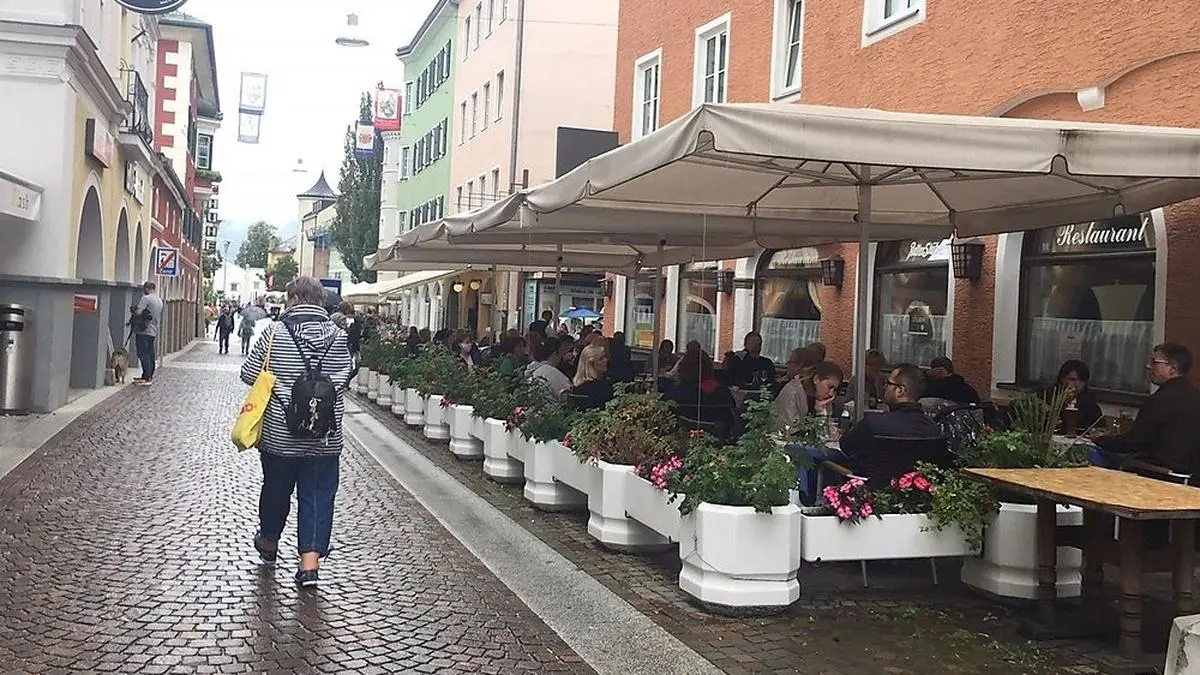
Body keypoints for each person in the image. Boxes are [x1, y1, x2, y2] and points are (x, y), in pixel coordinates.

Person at [240, 276, 353, 588]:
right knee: (318, 494)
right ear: (320, 301)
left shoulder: (274, 333)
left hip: (280, 432)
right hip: (325, 433)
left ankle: (270, 542)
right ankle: (309, 564)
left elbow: (249, 373)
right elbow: (344, 379)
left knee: (276, 488)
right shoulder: (339, 336)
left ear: (292, 298)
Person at [1092, 343, 1200, 475]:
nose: (1148, 366)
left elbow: (1135, 442)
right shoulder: (1194, 397)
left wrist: (1101, 440)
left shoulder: (1161, 400)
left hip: (1157, 473)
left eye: (1154, 362)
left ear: (1172, 368)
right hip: (1191, 477)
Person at [837, 363, 942, 478]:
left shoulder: (873, 423)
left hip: (870, 490)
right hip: (914, 492)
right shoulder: (933, 429)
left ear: (900, 391)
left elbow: (845, 446)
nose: (884, 387)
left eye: (888, 383)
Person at [666, 349, 736, 435]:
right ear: (709, 367)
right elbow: (731, 421)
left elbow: (663, 418)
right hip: (717, 442)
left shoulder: (675, 393)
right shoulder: (723, 393)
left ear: (683, 367)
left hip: (681, 441)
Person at [777, 359, 845, 433]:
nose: (831, 393)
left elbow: (825, 432)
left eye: (834, 390)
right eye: (829, 387)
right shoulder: (792, 392)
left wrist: (821, 411)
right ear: (816, 379)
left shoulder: (824, 400)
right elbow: (789, 429)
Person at [1055, 359, 1102, 431]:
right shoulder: (1050, 394)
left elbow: (1098, 424)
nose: (1077, 385)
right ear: (1062, 379)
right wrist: (1062, 402)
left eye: (1081, 381)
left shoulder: (1088, 399)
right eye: (1072, 379)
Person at [131, 281, 164, 386]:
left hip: (143, 329)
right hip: (153, 330)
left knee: (142, 353)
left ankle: (146, 376)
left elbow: (139, 312)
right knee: (150, 353)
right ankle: (149, 375)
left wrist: (134, 310)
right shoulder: (159, 300)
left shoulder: (146, 298)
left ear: (146, 289)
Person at [569, 343, 615, 411]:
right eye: (601, 359)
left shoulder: (577, 386)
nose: (606, 360)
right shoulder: (602, 388)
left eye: (605, 357)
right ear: (591, 364)